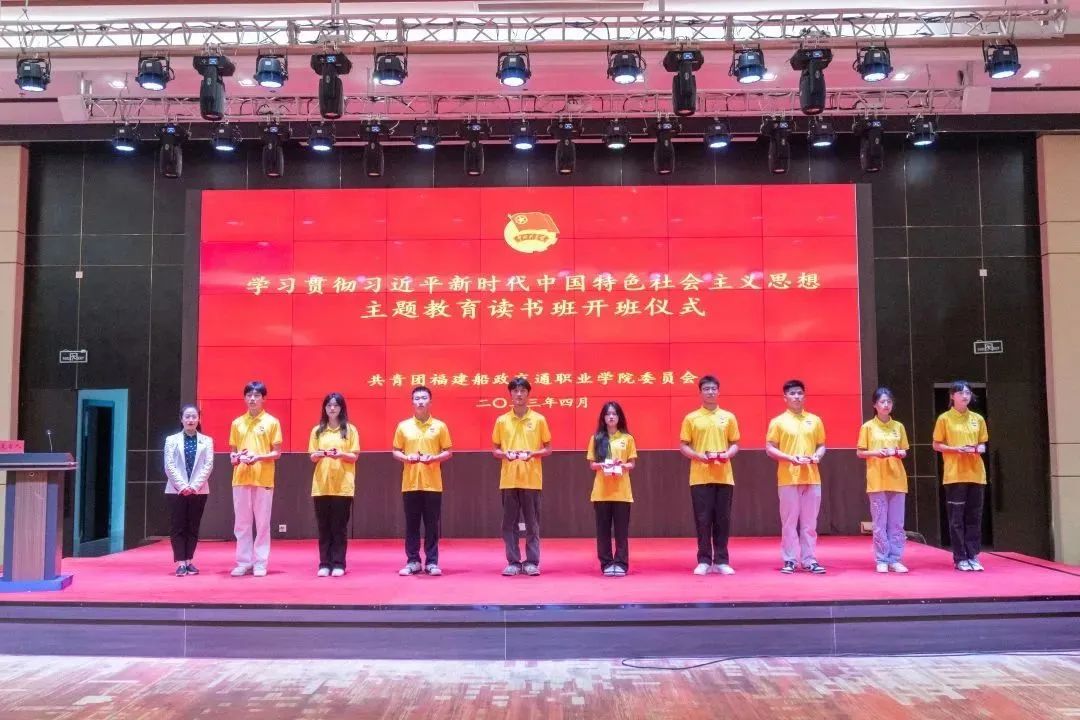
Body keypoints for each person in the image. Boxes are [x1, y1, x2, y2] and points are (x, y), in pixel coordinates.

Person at [679, 375, 740, 576]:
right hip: (700, 476)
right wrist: (697, 455)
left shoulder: (728, 417)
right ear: (700, 392)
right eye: (706, 389)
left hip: (724, 475)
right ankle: (704, 560)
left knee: (723, 519)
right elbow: (683, 445)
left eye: (714, 388)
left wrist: (727, 454)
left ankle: (722, 560)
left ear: (718, 391)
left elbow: (735, 443)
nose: (711, 392)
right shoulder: (691, 418)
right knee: (703, 520)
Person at [766, 379, 828, 575]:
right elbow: (769, 448)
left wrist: (817, 455)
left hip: (812, 477)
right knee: (789, 522)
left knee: (810, 523)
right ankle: (790, 559)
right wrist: (789, 458)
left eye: (800, 393)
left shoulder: (814, 420)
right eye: (792, 393)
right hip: (788, 477)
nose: (796, 396)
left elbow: (821, 445)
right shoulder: (778, 421)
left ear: (804, 396)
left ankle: (809, 559)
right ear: (785, 397)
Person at [491, 377, 552, 576]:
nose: (519, 394)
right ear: (510, 394)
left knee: (533, 524)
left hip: (531, 479)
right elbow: (495, 450)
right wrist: (505, 454)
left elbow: (548, 448)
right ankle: (514, 562)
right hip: (509, 479)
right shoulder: (502, 420)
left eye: (523, 391)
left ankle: (532, 561)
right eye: (515, 391)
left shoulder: (539, 419)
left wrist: (533, 454)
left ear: (528, 394)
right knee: (509, 524)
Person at [392, 386, 453, 577]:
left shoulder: (440, 426)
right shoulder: (403, 426)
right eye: (417, 398)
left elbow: (448, 452)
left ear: (430, 401)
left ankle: (432, 562)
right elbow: (396, 451)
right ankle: (413, 561)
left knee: (432, 525)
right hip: (410, 483)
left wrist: (434, 458)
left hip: (432, 483)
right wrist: (406, 457)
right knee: (412, 524)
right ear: (412, 402)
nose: (420, 401)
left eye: (424, 398)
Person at [933, 380, 990, 572]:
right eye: (960, 393)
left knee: (974, 516)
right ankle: (960, 557)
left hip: (976, 474)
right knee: (956, 518)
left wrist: (977, 449)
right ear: (952, 396)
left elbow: (983, 444)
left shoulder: (977, 419)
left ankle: (973, 555)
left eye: (967, 393)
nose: (965, 396)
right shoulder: (944, 418)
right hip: (955, 475)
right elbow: (936, 444)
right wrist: (955, 449)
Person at [228, 380, 282, 578]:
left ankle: (260, 563)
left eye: (257, 395)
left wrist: (257, 457)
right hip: (240, 478)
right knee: (241, 524)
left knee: (262, 524)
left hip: (263, 478)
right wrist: (236, 457)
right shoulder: (237, 423)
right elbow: (232, 454)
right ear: (245, 398)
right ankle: (243, 562)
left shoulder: (272, 422)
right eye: (249, 395)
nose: (252, 399)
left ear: (263, 398)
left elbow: (277, 453)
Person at [856, 388, 910, 573]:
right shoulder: (868, 427)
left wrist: (899, 452)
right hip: (877, 480)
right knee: (880, 522)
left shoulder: (899, 426)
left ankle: (895, 559)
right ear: (875, 405)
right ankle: (882, 559)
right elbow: (860, 452)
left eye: (889, 402)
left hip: (897, 479)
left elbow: (904, 450)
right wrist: (876, 453)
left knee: (897, 523)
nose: (886, 405)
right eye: (882, 402)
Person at [309, 392, 360, 577]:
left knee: (339, 527)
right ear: (324, 408)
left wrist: (341, 454)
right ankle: (324, 563)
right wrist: (319, 454)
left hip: (343, 485)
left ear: (341, 408)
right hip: (321, 485)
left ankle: (339, 563)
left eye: (336, 405)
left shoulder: (350, 430)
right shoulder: (317, 430)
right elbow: (312, 456)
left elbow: (354, 456)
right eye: (329, 405)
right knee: (323, 527)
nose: (332, 408)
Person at [587, 401, 638, 576]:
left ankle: (621, 563)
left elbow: (632, 463)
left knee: (621, 531)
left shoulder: (627, 438)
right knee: (603, 531)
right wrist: (603, 465)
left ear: (619, 417)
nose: (611, 417)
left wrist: (623, 465)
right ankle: (607, 563)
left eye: (614, 414)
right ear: (603, 417)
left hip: (622, 492)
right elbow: (592, 465)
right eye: (608, 414)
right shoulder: (596, 438)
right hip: (601, 492)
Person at [163, 405, 213, 577]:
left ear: (198, 419)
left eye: (194, 417)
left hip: (199, 491)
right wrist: (183, 486)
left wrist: (194, 486)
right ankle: (181, 563)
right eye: (187, 416)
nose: (191, 420)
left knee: (193, 526)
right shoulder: (171, 440)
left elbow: (208, 465)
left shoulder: (207, 441)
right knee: (178, 526)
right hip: (175, 491)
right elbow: (169, 465)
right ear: (181, 419)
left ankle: (189, 561)